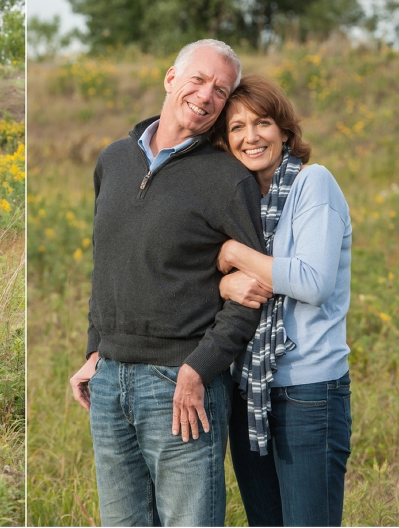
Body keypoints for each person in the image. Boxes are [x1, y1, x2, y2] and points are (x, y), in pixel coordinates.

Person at [69, 39, 266, 527]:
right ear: (170, 78)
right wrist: (97, 350)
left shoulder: (228, 178)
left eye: (222, 90)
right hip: (111, 381)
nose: (206, 95)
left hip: (182, 384)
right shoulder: (113, 160)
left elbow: (253, 288)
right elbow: (107, 264)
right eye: (198, 79)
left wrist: (200, 367)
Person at [212, 75, 352, 527]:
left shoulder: (314, 184)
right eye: (237, 127)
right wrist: (222, 284)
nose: (250, 137)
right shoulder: (240, 201)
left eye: (263, 123)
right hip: (248, 389)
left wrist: (234, 256)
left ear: (285, 131)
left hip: (308, 392)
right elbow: (202, 279)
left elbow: (311, 281)